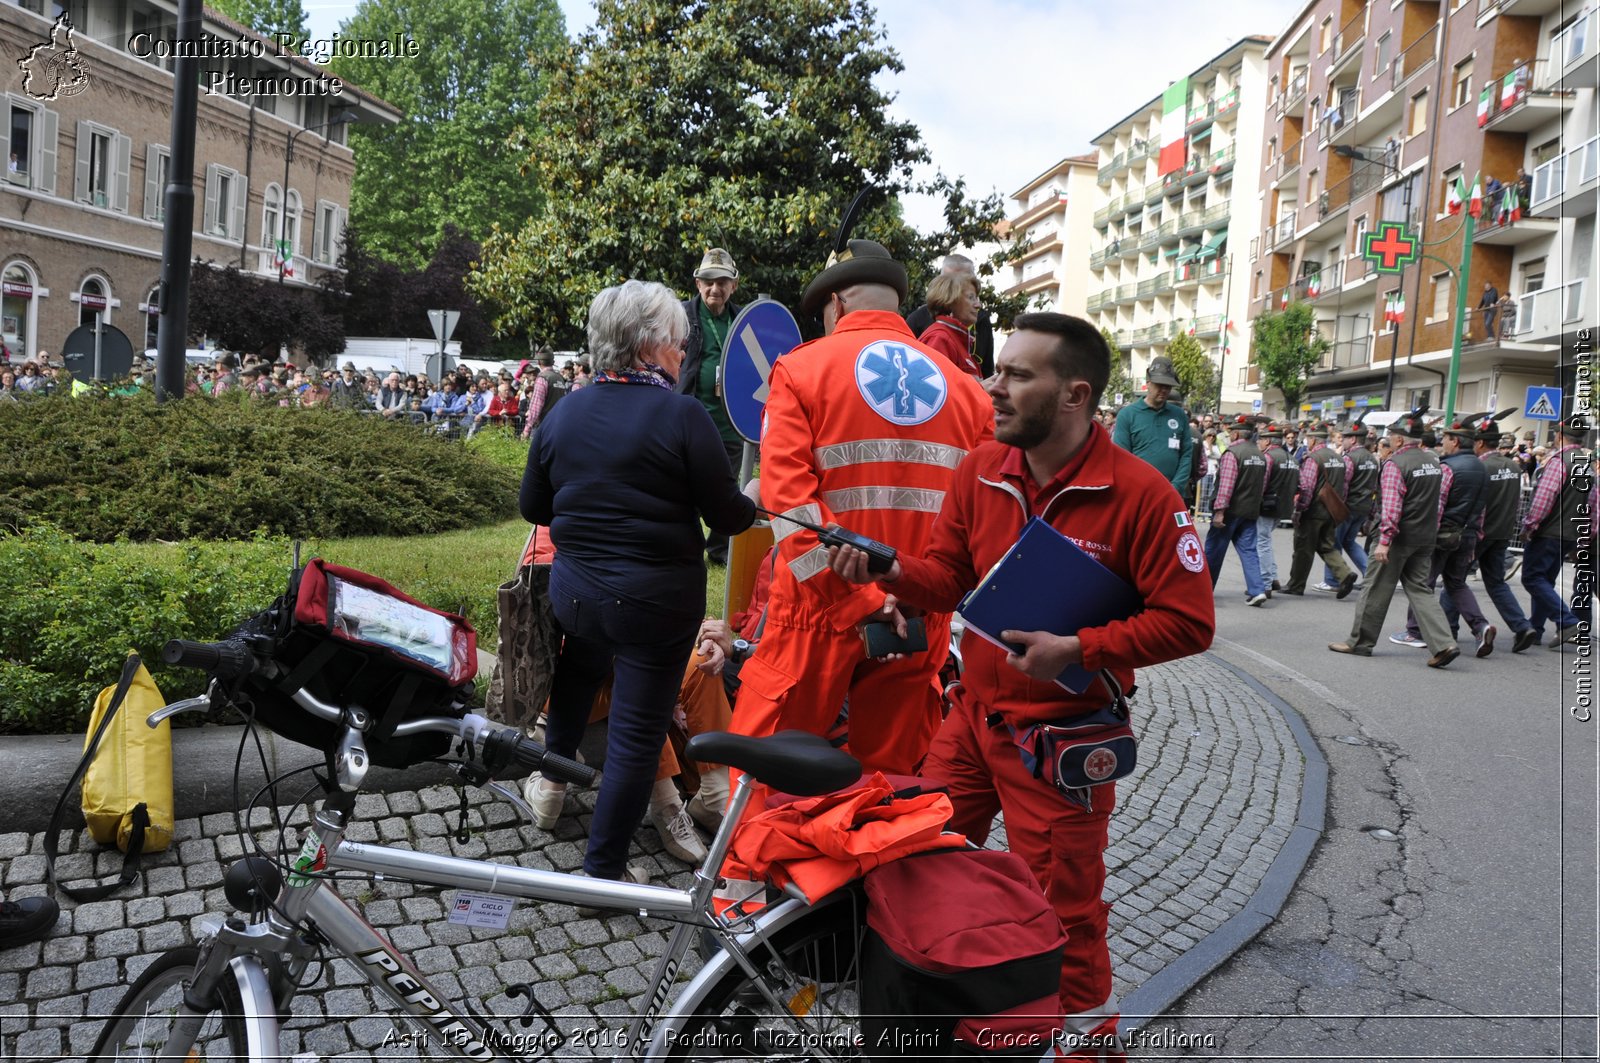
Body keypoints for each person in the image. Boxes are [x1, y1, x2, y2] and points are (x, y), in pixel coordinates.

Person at [828, 312, 1215, 1056]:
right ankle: (947, 1010)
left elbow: (1190, 622)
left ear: (1074, 395)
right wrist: (886, 567)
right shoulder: (980, 469)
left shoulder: (1140, 496)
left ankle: (1087, 1045)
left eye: (1015, 375)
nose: (992, 387)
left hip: (1062, 737)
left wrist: (1082, 646)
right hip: (972, 719)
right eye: (996, 370)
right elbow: (947, 578)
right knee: (915, 850)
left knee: (1065, 911)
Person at [518, 279, 758, 887]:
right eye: (679, 344)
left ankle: (549, 785)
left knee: (578, 677)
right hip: (653, 604)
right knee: (634, 735)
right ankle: (602, 873)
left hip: (577, 594)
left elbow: (531, 507)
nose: (683, 356)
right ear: (650, 346)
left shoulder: (564, 409)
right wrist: (750, 502)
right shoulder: (682, 416)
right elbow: (727, 517)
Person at [728, 239, 992, 782]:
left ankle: (750, 870)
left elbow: (790, 511)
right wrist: (907, 597)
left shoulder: (800, 371)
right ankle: (868, 867)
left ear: (838, 306)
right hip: (918, 621)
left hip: (818, 611)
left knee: (767, 776)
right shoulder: (969, 393)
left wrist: (863, 602)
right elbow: (983, 522)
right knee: (888, 782)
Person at [1330, 411, 1460, 666]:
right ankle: (1444, 643)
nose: (1388, 439)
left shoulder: (1395, 464)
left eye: (1390, 435)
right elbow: (1438, 503)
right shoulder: (1434, 462)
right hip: (1425, 535)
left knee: (1375, 588)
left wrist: (1385, 540)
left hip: (1399, 536)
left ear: (1400, 440)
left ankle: (1360, 642)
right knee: (1420, 590)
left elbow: (1391, 506)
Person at [1395, 415, 1494, 655]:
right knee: (1456, 584)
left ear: (1456, 442)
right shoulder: (1482, 467)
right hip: (1468, 533)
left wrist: (1428, 535)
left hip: (1442, 535)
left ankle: (1415, 631)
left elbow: (1437, 506)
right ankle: (1481, 626)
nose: (1444, 443)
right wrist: (1476, 534)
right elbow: (1481, 508)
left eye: (1447, 439)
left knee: (1423, 583)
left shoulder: (1448, 467)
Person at [676, 248, 747, 566]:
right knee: (684, 484)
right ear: (697, 283)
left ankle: (718, 550)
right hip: (690, 419)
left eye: (722, 282)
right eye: (708, 281)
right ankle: (685, 544)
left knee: (725, 487)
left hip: (731, 422)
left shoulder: (745, 319)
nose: (714, 288)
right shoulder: (680, 316)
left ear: (734, 285)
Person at [1521, 414, 1592, 650]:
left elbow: (1544, 497)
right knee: (1545, 581)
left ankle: (1568, 621)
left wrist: (1530, 525)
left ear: (1560, 436)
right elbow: (1592, 504)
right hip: (1571, 533)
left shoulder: (1560, 461)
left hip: (1549, 531)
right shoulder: (1586, 464)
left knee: (1532, 578)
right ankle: (1536, 629)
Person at [1283, 424, 1358, 597]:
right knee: (1327, 546)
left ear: (1314, 439)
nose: (1307, 441)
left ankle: (1296, 585)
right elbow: (1344, 487)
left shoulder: (1313, 458)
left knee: (1303, 549)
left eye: (1309, 438)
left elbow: (1307, 488)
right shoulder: (1339, 458)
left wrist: (1300, 510)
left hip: (1314, 511)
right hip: (1332, 510)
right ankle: (1345, 574)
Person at [1204, 414, 1270, 606]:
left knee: (1214, 551)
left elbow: (1226, 485)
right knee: (1249, 550)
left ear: (1236, 434)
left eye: (1231, 431)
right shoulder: (1260, 455)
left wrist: (1219, 511)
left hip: (1230, 511)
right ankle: (1258, 590)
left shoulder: (1233, 453)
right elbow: (1262, 485)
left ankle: (1203, 589)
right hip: (1250, 510)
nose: (1230, 434)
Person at [1112, 356, 1193, 501]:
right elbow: (1121, 457)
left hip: (1171, 494)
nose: (1163, 390)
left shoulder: (1179, 415)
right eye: (1159, 385)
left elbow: (1186, 454)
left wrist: (1175, 487)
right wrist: (1137, 488)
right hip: (1137, 494)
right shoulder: (1128, 414)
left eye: (1168, 386)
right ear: (1148, 383)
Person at [907, 253, 995, 377]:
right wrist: (977, 387)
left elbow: (986, 371)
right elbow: (935, 384)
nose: (977, 305)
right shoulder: (938, 336)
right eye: (970, 297)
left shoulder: (979, 322)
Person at [1317, 423, 1376, 590]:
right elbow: (1374, 485)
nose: (1341, 441)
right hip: (1363, 506)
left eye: (1344, 438)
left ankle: (1332, 581)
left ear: (1353, 438)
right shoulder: (1372, 458)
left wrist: (1336, 508)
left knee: (1333, 542)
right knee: (1349, 542)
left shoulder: (1350, 458)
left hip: (1348, 507)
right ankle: (1370, 576)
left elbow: (1344, 485)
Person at [916, 271, 983, 379]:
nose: (978, 305)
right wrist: (981, 388)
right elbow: (935, 388)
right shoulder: (940, 338)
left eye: (977, 298)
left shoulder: (956, 339)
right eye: (971, 298)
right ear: (949, 300)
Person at [1257, 423, 1299, 593]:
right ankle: (1273, 577)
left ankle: (1265, 583)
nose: (1259, 443)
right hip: (1284, 507)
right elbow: (1300, 485)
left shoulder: (1268, 457)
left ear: (1267, 441)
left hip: (1267, 505)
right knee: (1265, 541)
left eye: (1261, 440)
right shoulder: (1292, 459)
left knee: (1262, 543)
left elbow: (1262, 484)